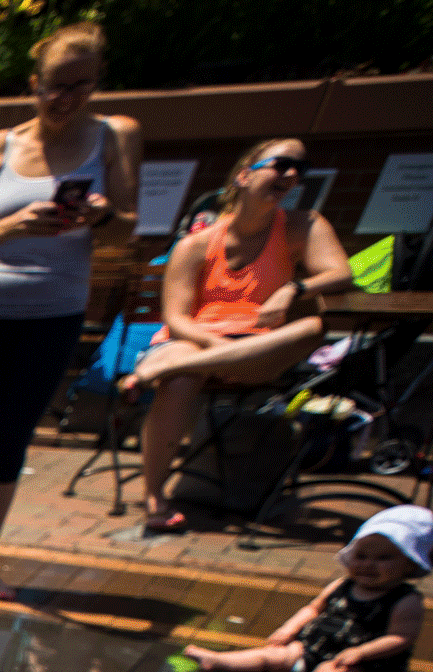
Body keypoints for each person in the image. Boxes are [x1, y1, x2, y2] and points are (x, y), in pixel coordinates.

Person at [0, 20, 140, 599]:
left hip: (52, 315)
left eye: (78, 86)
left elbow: (123, 237)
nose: (62, 99)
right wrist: (12, 225)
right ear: (34, 84)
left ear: (96, 85)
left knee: (12, 437)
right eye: (52, 86)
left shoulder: (115, 138)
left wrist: (102, 217)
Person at [125, 138, 351, 535]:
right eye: (281, 164)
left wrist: (292, 289)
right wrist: (220, 350)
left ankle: (148, 371)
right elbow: (177, 318)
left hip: (261, 346)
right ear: (245, 175)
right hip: (201, 339)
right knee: (179, 379)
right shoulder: (195, 244)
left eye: (300, 168)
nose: (292, 174)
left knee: (313, 328)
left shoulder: (304, 225)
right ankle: (155, 496)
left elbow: (340, 273)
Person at [182, 504, 426, 672]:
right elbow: (313, 608)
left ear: (410, 565)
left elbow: (400, 638)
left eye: (384, 558)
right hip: (311, 647)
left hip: (361, 664)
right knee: (272, 656)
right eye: (361, 556)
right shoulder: (342, 585)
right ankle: (221, 660)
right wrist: (288, 629)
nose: (368, 564)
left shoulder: (405, 601)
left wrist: (360, 652)